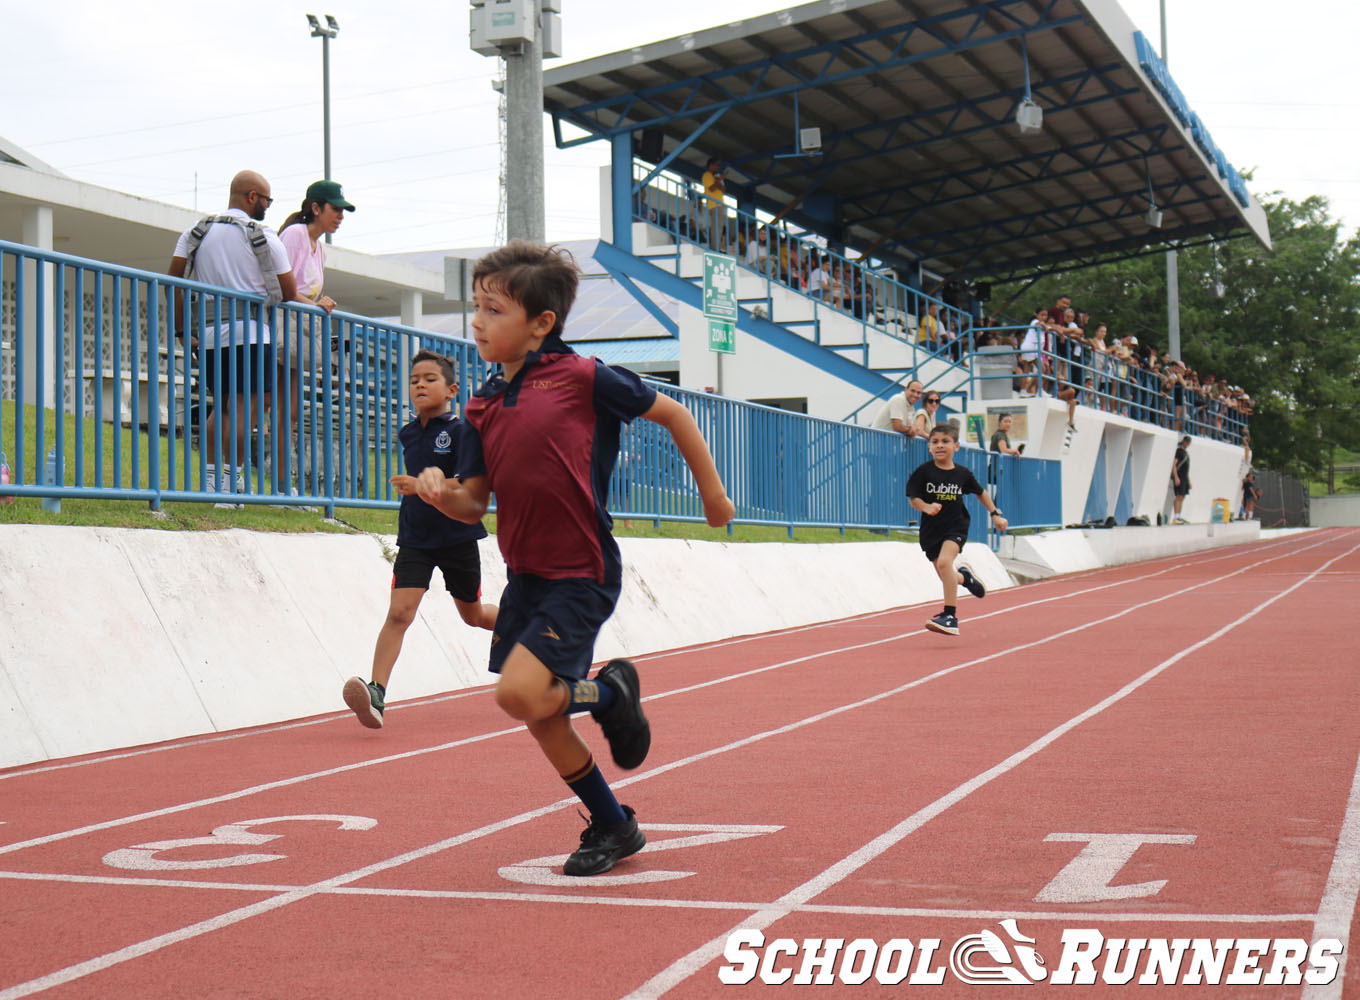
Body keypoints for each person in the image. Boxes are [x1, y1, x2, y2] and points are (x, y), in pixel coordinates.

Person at [414, 240, 735, 877]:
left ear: (541, 323)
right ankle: (614, 824)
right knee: (530, 709)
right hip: (527, 576)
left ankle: (611, 695)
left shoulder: (584, 377)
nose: (476, 321)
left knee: (523, 690)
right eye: (475, 307)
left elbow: (674, 414)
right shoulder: (479, 405)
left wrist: (714, 495)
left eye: (493, 310)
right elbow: (475, 505)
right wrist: (440, 493)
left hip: (581, 571)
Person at [342, 350, 497, 730]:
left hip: (457, 534)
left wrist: (421, 485)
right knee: (399, 613)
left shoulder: (462, 433)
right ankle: (376, 692)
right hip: (416, 537)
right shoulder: (409, 432)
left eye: (430, 379)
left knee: (473, 615)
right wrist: (416, 491)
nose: (420, 385)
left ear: (451, 390)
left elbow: (466, 482)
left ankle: (527, 625)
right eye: (414, 380)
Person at [168, 170, 298, 505]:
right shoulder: (264, 235)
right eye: (267, 200)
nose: (268, 208)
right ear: (252, 196)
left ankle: (211, 482)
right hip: (252, 331)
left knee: (221, 409)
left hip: (210, 334)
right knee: (246, 410)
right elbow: (288, 291)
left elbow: (175, 284)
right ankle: (232, 483)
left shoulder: (196, 232)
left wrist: (183, 331)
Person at [277, 179, 356, 488]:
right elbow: (282, 287)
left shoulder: (320, 249)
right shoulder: (295, 235)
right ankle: (233, 476)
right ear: (315, 208)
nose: (340, 216)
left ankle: (285, 483)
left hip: (298, 336)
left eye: (342, 211)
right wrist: (313, 303)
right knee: (257, 405)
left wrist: (314, 304)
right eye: (335, 209)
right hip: (280, 331)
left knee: (292, 410)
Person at [907, 422, 1007, 636]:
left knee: (945, 563)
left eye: (945, 442)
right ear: (929, 447)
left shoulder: (962, 474)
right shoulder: (923, 472)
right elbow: (913, 499)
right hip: (931, 531)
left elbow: (981, 492)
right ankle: (966, 578)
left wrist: (995, 514)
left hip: (956, 526)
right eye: (935, 442)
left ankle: (950, 616)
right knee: (946, 574)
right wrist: (927, 506)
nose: (940, 446)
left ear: (956, 446)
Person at [701, 157, 727, 250]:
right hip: (714, 205)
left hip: (719, 204)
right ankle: (714, 249)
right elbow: (711, 188)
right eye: (716, 165)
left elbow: (723, 189)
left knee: (719, 228)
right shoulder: (707, 175)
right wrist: (719, 179)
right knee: (716, 228)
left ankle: (716, 248)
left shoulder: (716, 177)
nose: (718, 167)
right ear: (710, 165)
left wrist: (718, 179)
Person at [1171, 434, 1191, 523]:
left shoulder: (1186, 453)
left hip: (1184, 477)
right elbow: (1174, 465)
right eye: (1186, 442)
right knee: (1178, 496)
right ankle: (1176, 516)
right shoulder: (1179, 452)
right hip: (1179, 476)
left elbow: (1186, 469)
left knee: (1182, 496)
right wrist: (1176, 477)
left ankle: (1179, 515)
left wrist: (1189, 481)